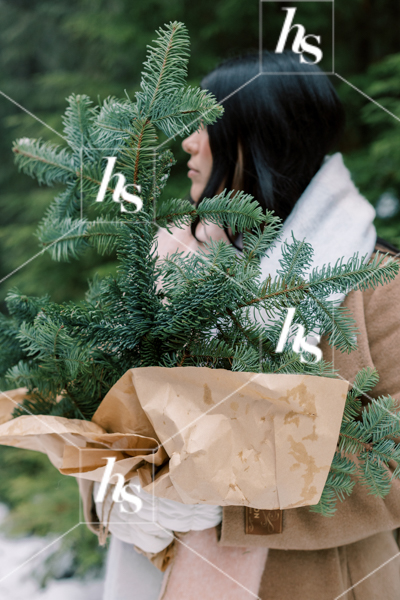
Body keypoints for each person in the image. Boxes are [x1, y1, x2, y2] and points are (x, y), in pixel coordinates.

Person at [80, 51, 400, 600]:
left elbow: (389, 459)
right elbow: (109, 420)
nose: (189, 142)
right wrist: (113, 497)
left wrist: (239, 501)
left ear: (259, 136)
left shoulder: (377, 285)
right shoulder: (165, 273)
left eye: (208, 124)